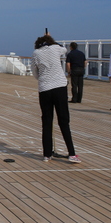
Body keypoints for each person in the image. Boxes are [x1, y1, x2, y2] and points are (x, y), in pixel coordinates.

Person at [31, 34, 81, 163]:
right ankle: (72, 154)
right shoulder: (55, 48)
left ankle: (47, 154)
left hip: (44, 89)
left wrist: (43, 79)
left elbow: (35, 73)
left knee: (47, 121)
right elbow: (64, 49)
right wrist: (52, 40)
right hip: (59, 87)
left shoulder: (36, 53)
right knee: (64, 121)